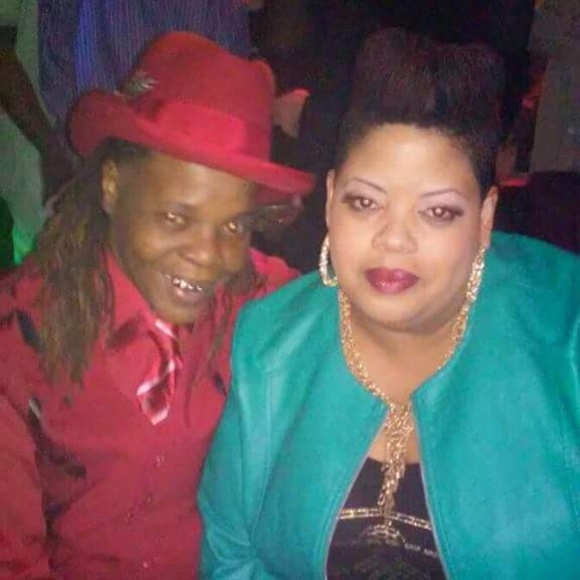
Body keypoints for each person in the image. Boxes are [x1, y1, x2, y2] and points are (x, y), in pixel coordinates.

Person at [199, 29, 580, 579]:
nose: (394, 239)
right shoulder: (268, 343)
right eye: (365, 202)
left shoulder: (566, 341)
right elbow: (231, 554)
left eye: (438, 212)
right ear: (330, 199)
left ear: (485, 219)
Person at [0, 32, 313, 579]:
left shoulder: (261, 300)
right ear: (112, 186)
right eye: (175, 217)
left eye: (234, 226)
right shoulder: (21, 332)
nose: (207, 257)